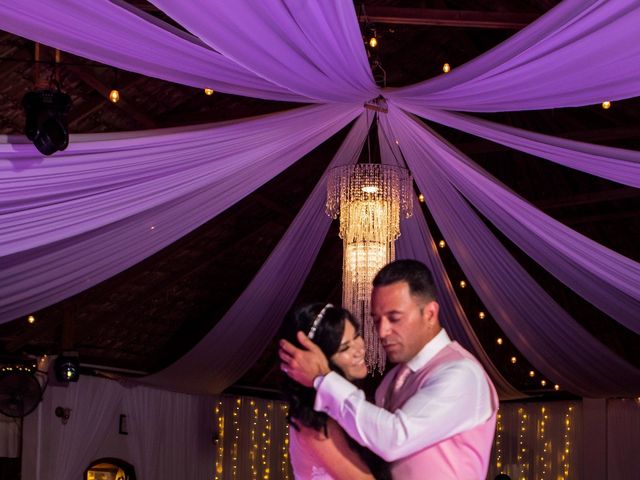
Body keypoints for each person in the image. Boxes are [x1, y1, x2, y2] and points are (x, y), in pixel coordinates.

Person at [280, 260, 499, 479]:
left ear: (430, 313)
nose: (382, 332)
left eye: (394, 318)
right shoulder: (392, 380)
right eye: (377, 320)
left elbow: (394, 438)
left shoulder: (461, 373)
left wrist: (323, 378)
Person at [280, 302, 389, 480]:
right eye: (345, 348)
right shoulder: (313, 424)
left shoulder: (348, 405)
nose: (360, 349)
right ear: (321, 361)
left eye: (357, 336)